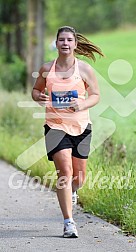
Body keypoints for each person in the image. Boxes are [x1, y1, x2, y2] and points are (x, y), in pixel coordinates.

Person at [32, 26, 104, 238]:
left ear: (75, 43)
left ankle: (73, 191)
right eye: (61, 40)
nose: (65, 43)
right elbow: (36, 90)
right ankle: (68, 222)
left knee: (79, 177)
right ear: (56, 43)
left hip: (81, 126)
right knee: (65, 172)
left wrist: (82, 105)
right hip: (55, 126)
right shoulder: (47, 68)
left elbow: (96, 95)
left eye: (69, 40)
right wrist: (38, 97)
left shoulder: (84, 69)